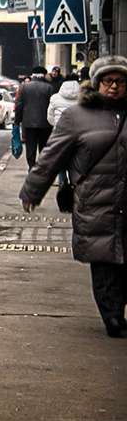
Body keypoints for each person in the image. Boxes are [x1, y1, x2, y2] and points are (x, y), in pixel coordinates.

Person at [22, 55, 127, 338]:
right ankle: (113, 316)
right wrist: (33, 190)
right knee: (104, 262)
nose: (114, 87)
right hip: (96, 202)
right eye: (108, 81)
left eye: (119, 81)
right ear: (97, 84)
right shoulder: (76, 117)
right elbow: (51, 157)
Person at [15, 65, 56, 168]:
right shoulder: (49, 88)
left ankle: (31, 167)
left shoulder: (24, 87)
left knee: (30, 148)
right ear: (43, 75)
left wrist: (17, 121)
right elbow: (52, 106)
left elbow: (19, 105)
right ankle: (41, 169)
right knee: (43, 148)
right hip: (45, 124)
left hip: (29, 123)